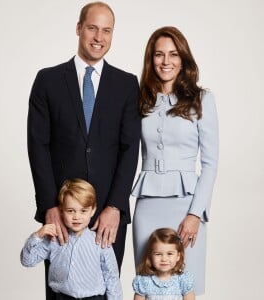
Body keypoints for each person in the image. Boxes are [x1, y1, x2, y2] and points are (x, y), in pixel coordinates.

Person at [27, 2, 141, 299]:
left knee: (104, 290)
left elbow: (130, 149)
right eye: (92, 28)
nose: (98, 37)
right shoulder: (48, 80)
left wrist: (115, 206)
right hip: (62, 210)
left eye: (106, 30)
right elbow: (37, 145)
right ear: (79, 28)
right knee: (60, 290)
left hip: (107, 212)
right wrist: (50, 206)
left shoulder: (127, 84)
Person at [132, 26, 219, 295]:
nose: (166, 61)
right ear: (151, 59)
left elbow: (211, 162)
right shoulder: (139, 100)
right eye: (159, 55)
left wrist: (195, 214)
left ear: (183, 59)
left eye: (173, 54)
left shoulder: (202, 100)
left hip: (187, 205)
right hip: (147, 205)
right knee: (148, 287)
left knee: (186, 288)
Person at [21, 178, 123, 300]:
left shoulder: (100, 242)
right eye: (70, 211)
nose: (76, 217)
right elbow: (27, 261)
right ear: (61, 211)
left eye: (83, 211)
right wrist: (37, 235)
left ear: (93, 210)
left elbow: (111, 276)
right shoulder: (54, 240)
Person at [132, 228, 195, 300]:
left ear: (178, 256)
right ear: (150, 256)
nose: (164, 259)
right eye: (158, 254)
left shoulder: (183, 281)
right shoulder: (144, 282)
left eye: (169, 254)